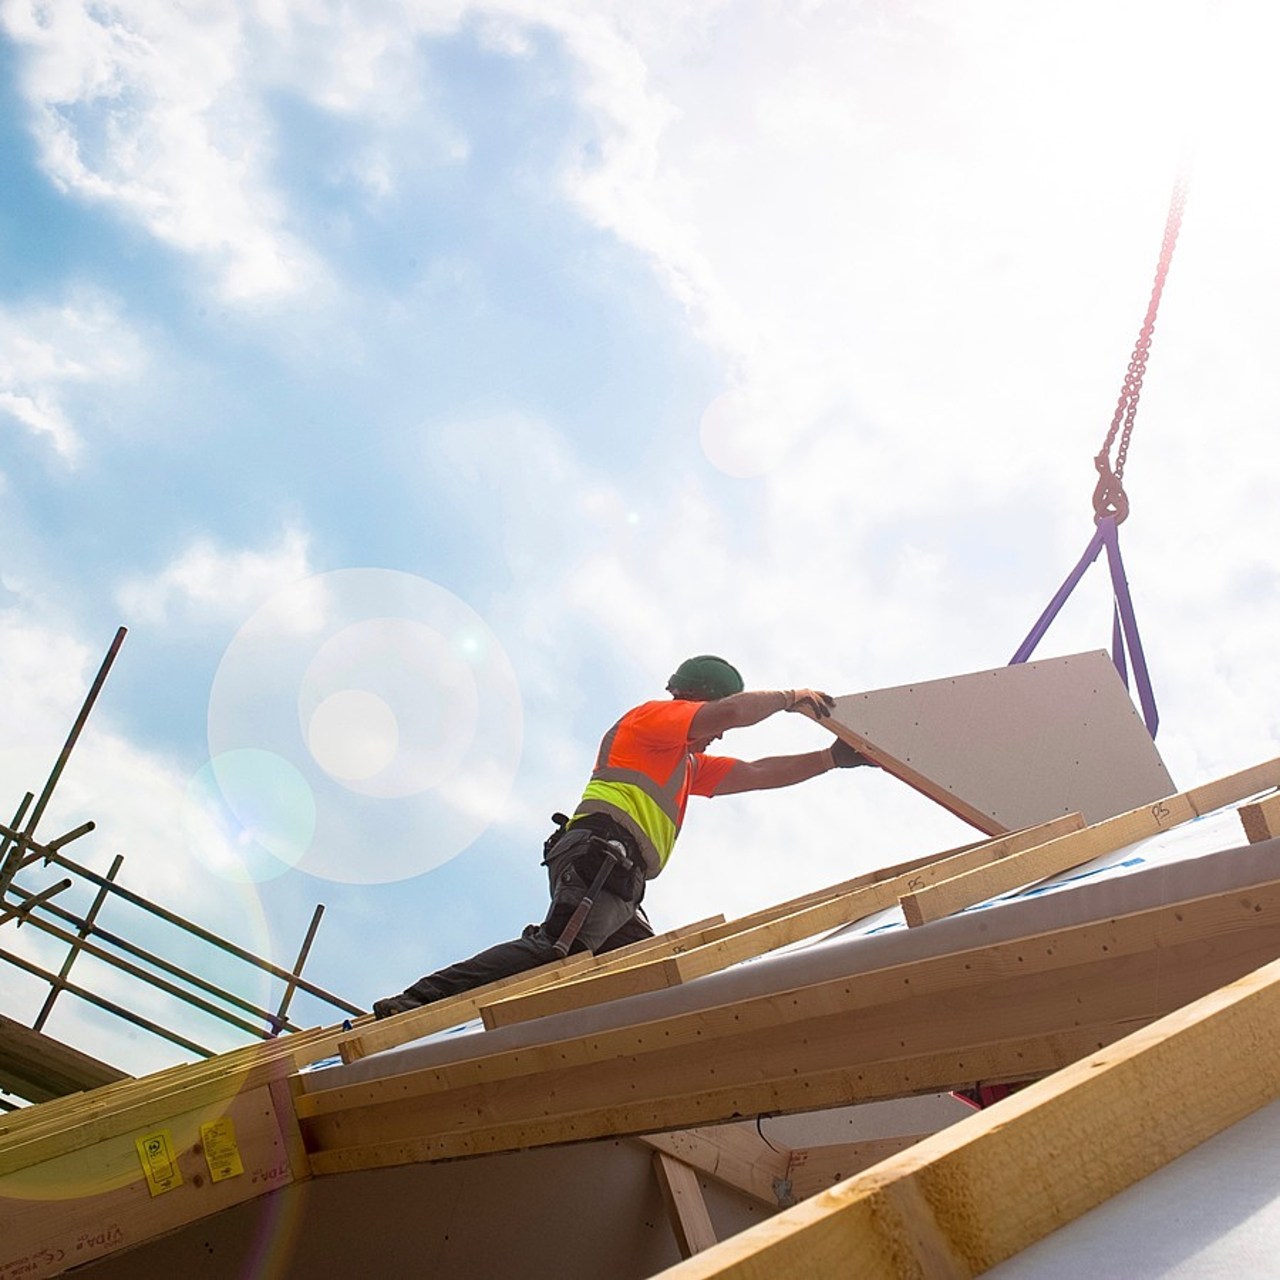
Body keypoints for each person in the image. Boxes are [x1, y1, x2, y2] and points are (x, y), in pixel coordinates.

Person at [372, 654, 874, 1018]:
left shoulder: (684, 765)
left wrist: (831, 759)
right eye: (714, 720)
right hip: (600, 857)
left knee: (651, 982)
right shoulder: (653, 720)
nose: (718, 736)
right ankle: (417, 1002)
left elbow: (759, 772)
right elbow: (730, 715)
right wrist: (790, 697)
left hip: (621, 881)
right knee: (556, 951)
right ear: (698, 699)